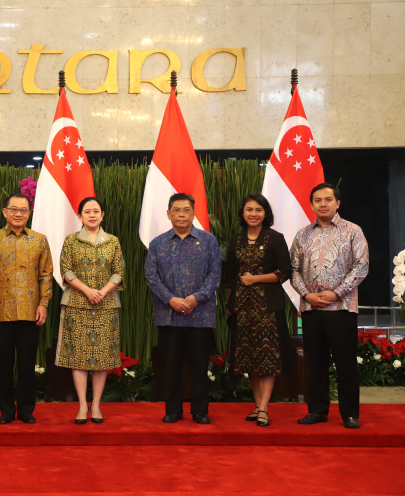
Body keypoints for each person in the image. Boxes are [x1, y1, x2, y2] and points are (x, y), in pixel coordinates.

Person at [291, 183, 369, 429]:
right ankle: (317, 411)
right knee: (315, 363)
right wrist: (307, 295)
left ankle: (349, 414)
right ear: (312, 204)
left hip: (342, 308)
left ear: (338, 203)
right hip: (312, 309)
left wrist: (336, 293)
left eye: (327, 199)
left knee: (345, 363)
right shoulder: (303, 234)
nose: (322, 204)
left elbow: (361, 266)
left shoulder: (352, 231)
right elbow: (292, 270)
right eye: (317, 200)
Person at [144, 193, 221, 425]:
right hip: (169, 315)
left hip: (201, 315)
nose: (181, 214)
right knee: (171, 366)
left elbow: (215, 274)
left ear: (194, 213)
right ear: (168, 214)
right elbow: (151, 275)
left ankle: (200, 411)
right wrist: (171, 299)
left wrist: (197, 298)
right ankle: (173, 410)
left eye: (186, 210)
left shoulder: (209, 241)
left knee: (199, 366)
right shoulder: (157, 243)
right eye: (176, 210)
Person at [0, 192, 53, 424]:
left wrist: (43, 303)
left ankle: (27, 410)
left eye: (23, 210)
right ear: (5, 212)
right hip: (0, 313)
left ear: (29, 213)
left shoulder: (39, 240)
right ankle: (6, 410)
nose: (18, 214)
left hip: (31, 312)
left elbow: (46, 275)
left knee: (27, 364)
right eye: (14, 209)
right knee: (3, 364)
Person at [224, 193, 295, 427]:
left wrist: (256, 279)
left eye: (259, 210)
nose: (253, 214)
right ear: (242, 213)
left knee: (267, 359)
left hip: (267, 308)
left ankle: (264, 407)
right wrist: (229, 305)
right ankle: (257, 405)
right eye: (249, 210)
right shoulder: (236, 240)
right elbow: (230, 276)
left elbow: (285, 272)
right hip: (242, 308)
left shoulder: (275, 238)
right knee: (249, 359)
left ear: (266, 213)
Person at [55, 197, 124, 425]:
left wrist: (101, 292)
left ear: (102, 215)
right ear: (80, 216)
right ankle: (83, 405)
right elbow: (65, 270)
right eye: (87, 211)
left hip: (106, 305)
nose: (92, 215)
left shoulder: (113, 241)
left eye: (96, 211)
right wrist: (87, 291)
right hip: (77, 304)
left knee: (102, 357)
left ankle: (96, 404)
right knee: (79, 357)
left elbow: (119, 271)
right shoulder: (71, 240)